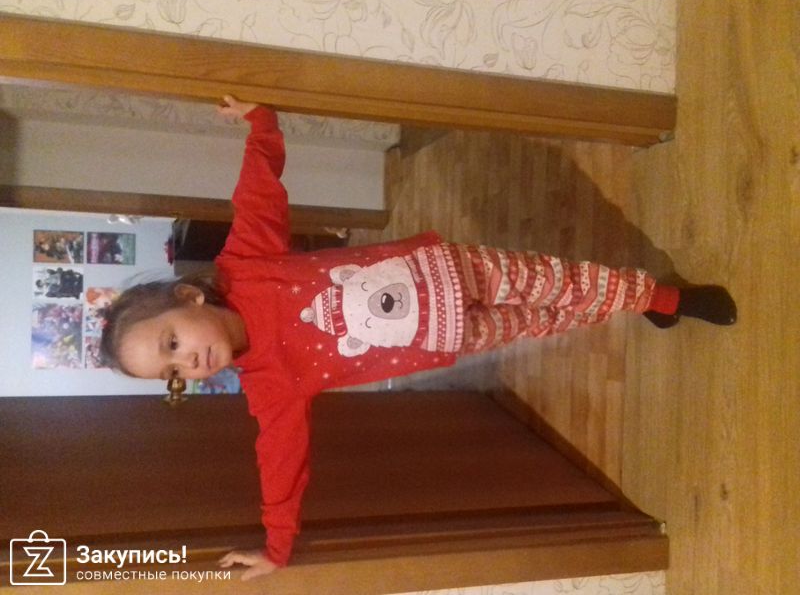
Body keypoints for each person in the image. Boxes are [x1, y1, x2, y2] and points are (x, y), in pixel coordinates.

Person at [99, 95, 736, 581]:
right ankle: (640, 306)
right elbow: (280, 465)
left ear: (189, 297)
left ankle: (665, 299)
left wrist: (262, 122)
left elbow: (259, 195)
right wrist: (276, 546)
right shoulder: (269, 387)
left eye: (172, 344)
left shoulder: (246, 265)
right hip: (450, 334)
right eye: (174, 373)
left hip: (453, 269)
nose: (189, 362)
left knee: (560, 283)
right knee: (546, 318)